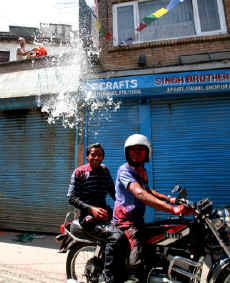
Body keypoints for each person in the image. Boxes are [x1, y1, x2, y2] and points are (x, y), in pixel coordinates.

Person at [113, 134, 191, 283]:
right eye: (132, 150)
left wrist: (170, 199)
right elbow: (140, 193)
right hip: (125, 222)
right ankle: (134, 278)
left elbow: (148, 191)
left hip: (137, 218)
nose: (135, 154)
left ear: (146, 153)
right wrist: (172, 208)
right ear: (127, 153)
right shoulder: (124, 170)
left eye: (140, 150)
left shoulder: (142, 171)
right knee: (138, 252)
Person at [67, 143, 127, 283]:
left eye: (99, 154)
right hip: (88, 218)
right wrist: (91, 209)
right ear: (87, 156)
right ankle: (107, 278)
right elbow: (71, 197)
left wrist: (124, 205)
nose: (96, 157)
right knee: (117, 237)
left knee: (129, 233)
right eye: (93, 154)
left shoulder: (104, 170)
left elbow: (113, 192)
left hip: (106, 214)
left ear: (103, 157)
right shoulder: (79, 172)